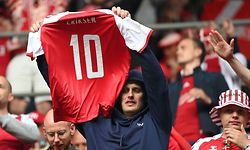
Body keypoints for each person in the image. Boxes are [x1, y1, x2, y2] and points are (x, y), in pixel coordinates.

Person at [29, 7, 172, 150]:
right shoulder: (96, 123)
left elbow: (157, 82)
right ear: (116, 95)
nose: (130, 95)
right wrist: (40, 48)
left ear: (146, 96)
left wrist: (131, 33)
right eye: (125, 90)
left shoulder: (156, 120)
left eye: (136, 90)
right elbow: (62, 90)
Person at [168, 37, 229, 144]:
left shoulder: (214, 78)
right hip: (175, 144)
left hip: (204, 142)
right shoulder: (170, 87)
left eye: (183, 48)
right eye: (177, 49)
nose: (178, 52)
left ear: (198, 52)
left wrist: (207, 99)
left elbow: (231, 110)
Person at [0, 76, 40, 150]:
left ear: (10, 96)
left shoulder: (23, 119)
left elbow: (35, 136)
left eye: (0, 86)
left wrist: (2, 119)